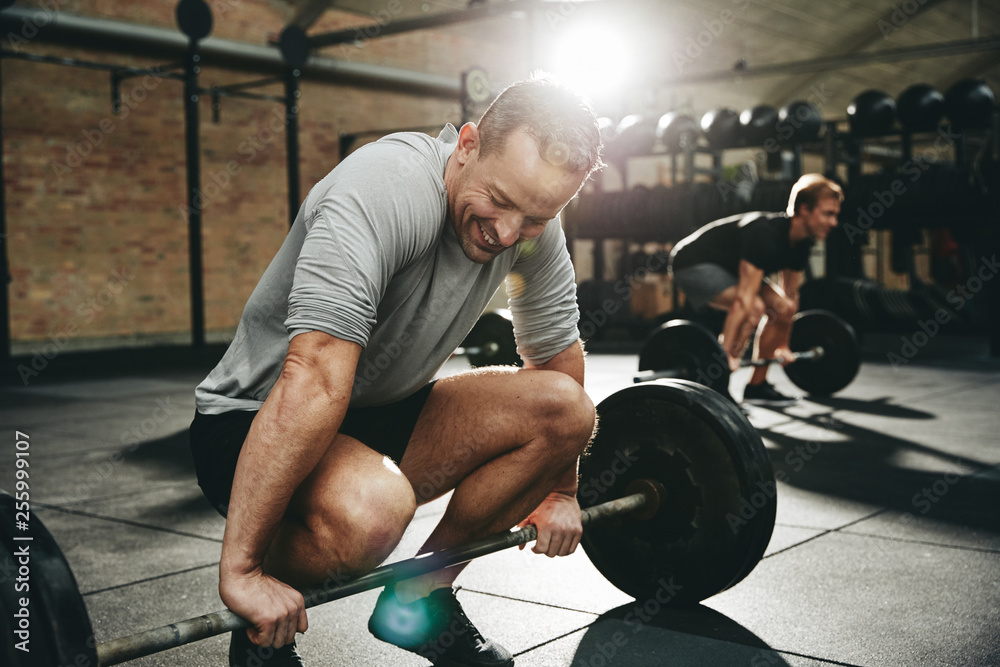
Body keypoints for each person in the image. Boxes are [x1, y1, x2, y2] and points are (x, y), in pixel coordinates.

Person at [188, 76, 603, 667]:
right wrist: (242, 572)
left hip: (379, 412)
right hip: (253, 419)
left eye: (535, 216)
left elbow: (558, 353)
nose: (509, 233)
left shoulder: (533, 230)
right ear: (466, 145)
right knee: (372, 515)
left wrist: (562, 489)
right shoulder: (385, 187)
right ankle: (259, 619)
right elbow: (315, 375)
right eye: (502, 201)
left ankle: (421, 596)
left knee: (566, 411)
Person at [668, 174, 843, 406]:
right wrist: (726, 357)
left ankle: (757, 387)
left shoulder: (802, 242)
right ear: (804, 210)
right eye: (828, 214)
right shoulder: (765, 235)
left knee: (783, 307)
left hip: (729, 269)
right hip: (692, 263)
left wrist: (784, 344)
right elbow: (743, 301)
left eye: (835, 215)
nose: (834, 222)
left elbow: (790, 296)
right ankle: (719, 385)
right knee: (755, 307)